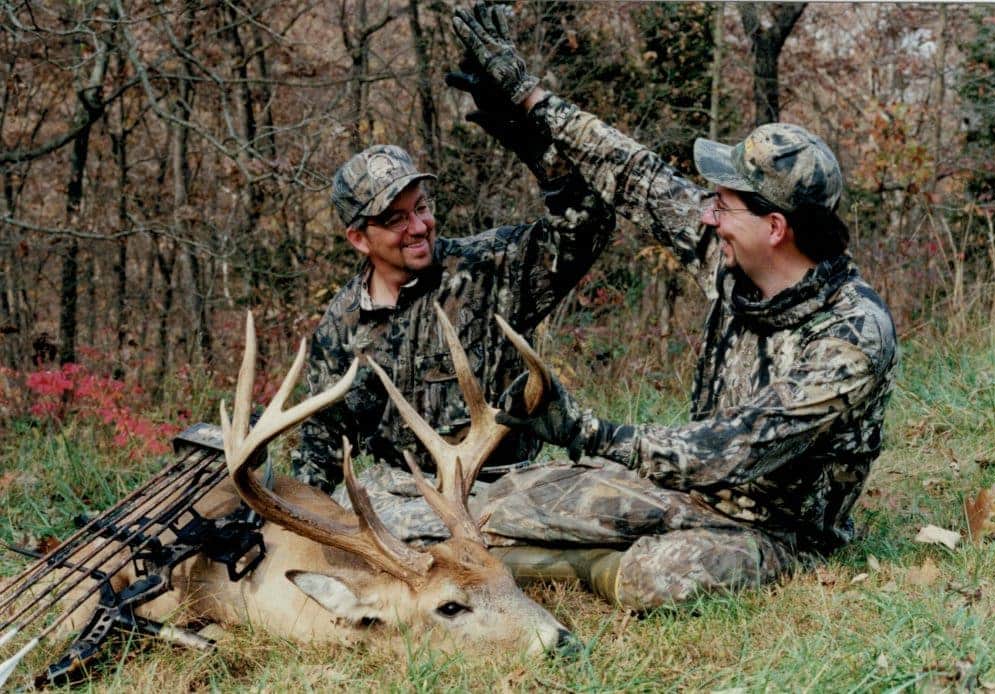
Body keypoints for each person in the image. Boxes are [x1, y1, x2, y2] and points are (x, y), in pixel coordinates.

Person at [449, 3, 899, 610]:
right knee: (516, 500)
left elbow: (734, 448)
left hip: (775, 531)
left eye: (723, 204)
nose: (707, 215)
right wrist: (529, 96)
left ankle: (578, 566)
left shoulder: (853, 336)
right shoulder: (732, 258)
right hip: (685, 488)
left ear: (774, 227)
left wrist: (589, 432)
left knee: (653, 577)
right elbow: (636, 176)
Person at [289, 118, 615, 539]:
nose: (419, 227)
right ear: (358, 238)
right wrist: (295, 524)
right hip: (408, 501)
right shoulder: (341, 324)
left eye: (421, 208)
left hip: (507, 489)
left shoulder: (492, 267)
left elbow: (587, 228)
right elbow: (324, 440)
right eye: (395, 220)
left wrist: (534, 135)